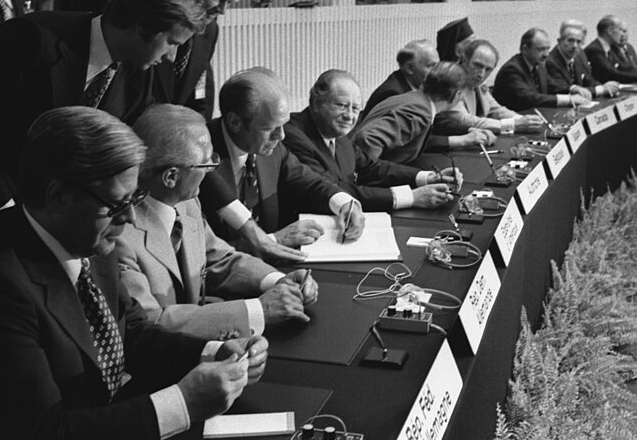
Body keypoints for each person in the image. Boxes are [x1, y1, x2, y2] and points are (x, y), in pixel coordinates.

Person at [0, 106, 266, 440]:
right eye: (118, 204)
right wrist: (182, 403)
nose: (131, 218)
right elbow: (44, 434)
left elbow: (130, 335)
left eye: (135, 198)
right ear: (58, 197)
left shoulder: (91, 242)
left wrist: (213, 352)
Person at [0, 0, 202, 280]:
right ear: (143, 25)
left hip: (57, 232)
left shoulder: (139, 78)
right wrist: (6, 210)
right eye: (171, 42)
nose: (172, 56)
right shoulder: (29, 40)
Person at [117, 104, 318, 341]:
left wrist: (278, 281)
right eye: (206, 163)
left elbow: (218, 258)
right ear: (171, 176)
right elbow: (150, 322)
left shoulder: (187, 204)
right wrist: (258, 310)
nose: (213, 170)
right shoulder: (119, 235)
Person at [200, 68, 366, 255]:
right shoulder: (197, 159)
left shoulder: (273, 148)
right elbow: (199, 254)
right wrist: (275, 240)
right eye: (269, 128)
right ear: (234, 122)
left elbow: (308, 182)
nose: (281, 136)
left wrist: (345, 203)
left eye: (283, 124)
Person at [285, 70, 461, 212]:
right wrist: (411, 197)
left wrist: (428, 178)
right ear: (316, 103)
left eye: (355, 108)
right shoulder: (293, 136)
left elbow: (372, 168)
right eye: (342, 105)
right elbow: (333, 190)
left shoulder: (336, 134)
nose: (349, 116)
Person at [157, 0, 246, 121]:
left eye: (229, 3)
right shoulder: (154, 21)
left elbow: (200, 92)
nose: (222, 10)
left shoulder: (209, 30)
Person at [352, 62, 468, 165]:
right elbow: (368, 139)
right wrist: (369, 172)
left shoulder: (415, 99)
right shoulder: (420, 112)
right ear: (456, 95)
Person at [434, 39, 545, 136]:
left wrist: (523, 120)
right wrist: (514, 125)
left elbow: (496, 109)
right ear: (465, 60)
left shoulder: (477, 83)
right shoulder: (452, 81)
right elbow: (466, 121)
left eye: (488, 69)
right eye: (477, 65)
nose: (481, 74)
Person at [491, 27, 592, 111]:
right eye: (541, 49)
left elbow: (552, 86)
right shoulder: (512, 69)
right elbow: (529, 98)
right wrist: (569, 99)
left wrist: (573, 88)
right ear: (525, 49)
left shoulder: (539, 65)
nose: (546, 54)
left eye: (548, 48)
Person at [544, 20, 620, 99]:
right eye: (570, 40)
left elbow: (588, 80)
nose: (574, 46)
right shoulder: (550, 61)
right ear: (559, 41)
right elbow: (565, 90)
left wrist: (606, 87)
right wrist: (601, 89)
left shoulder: (579, 55)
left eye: (579, 42)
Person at [363, 39, 439, 116]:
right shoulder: (393, 94)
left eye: (438, 65)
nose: (438, 71)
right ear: (409, 68)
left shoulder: (412, 86)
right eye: (431, 66)